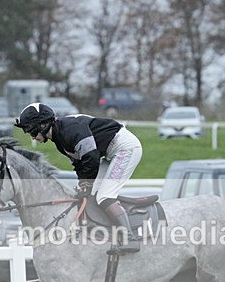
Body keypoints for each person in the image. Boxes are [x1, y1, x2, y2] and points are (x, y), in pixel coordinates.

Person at [14, 102, 143, 253]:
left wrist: (85, 185)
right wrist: (84, 186)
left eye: (31, 131)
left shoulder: (69, 131)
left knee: (105, 196)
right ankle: (108, 233)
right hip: (110, 152)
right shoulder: (60, 139)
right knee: (93, 194)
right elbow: (80, 165)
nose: (32, 137)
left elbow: (92, 158)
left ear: (42, 124)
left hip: (125, 148)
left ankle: (129, 238)